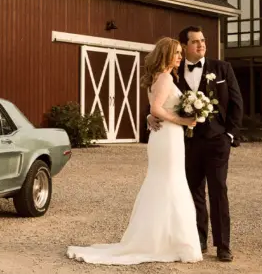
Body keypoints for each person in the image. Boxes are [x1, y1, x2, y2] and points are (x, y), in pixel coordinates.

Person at [66, 37, 203, 265]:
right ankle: (166, 242)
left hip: (167, 136)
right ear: (166, 55)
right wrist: (181, 120)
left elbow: (155, 110)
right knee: (170, 182)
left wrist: (170, 118)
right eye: (177, 53)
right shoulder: (165, 77)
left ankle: (166, 239)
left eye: (181, 52)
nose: (180, 56)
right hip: (167, 137)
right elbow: (156, 108)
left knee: (168, 182)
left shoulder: (160, 77)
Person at [147, 25, 243, 262]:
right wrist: (150, 116)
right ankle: (198, 240)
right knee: (193, 191)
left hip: (217, 141)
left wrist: (230, 135)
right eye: (195, 42)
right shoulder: (174, 74)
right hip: (186, 143)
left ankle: (223, 245)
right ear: (184, 46)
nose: (201, 45)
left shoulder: (222, 68)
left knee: (218, 190)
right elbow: (161, 100)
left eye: (203, 40)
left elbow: (237, 103)